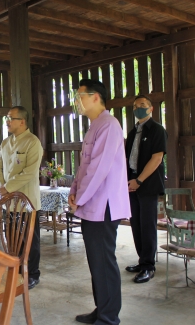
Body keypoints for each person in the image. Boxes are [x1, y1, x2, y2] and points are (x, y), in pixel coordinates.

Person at [68, 79, 131, 325]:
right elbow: (84, 167)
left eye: (81, 95)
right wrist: (74, 191)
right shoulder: (95, 126)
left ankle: (108, 317)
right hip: (91, 206)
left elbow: (98, 169)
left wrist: (79, 198)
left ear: (96, 97)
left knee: (104, 262)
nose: (77, 101)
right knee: (97, 262)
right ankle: (102, 308)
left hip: (104, 206)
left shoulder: (109, 125)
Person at [0, 105, 43, 290]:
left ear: (22, 121)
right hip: (10, 202)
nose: (7, 121)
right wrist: (2, 186)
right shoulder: (5, 143)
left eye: (10, 118)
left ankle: (32, 274)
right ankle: (16, 271)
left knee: (29, 240)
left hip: (27, 202)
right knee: (13, 238)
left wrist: (7, 187)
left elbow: (30, 172)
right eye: (6, 117)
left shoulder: (32, 142)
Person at [125, 95, 167, 284]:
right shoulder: (134, 132)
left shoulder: (157, 130)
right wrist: (129, 181)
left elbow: (157, 159)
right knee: (136, 224)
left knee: (148, 226)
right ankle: (142, 261)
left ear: (151, 109)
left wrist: (139, 181)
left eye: (142, 105)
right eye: (135, 106)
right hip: (132, 183)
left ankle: (149, 266)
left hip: (147, 185)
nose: (138, 108)